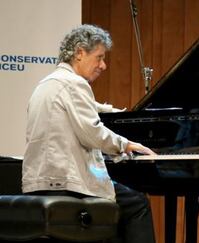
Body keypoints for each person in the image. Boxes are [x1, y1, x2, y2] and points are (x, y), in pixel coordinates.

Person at [22, 24, 156, 243]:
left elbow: (89, 108)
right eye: (99, 57)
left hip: (39, 182)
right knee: (137, 203)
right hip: (67, 183)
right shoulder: (75, 84)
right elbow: (92, 133)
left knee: (119, 204)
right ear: (79, 52)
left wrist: (117, 113)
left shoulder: (47, 84)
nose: (103, 65)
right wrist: (126, 145)